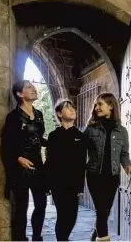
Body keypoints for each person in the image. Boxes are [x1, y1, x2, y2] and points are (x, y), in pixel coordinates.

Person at [84, 93, 131, 241]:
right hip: (94, 175)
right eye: (96, 105)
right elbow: (80, 151)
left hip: (113, 176)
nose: (96, 108)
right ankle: (103, 238)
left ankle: (96, 234)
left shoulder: (122, 131)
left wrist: (127, 166)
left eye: (100, 104)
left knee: (105, 211)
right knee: (101, 210)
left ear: (111, 106)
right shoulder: (91, 129)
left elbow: (124, 154)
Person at [1, 80, 47, 241]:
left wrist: (57, 143)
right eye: (29, 87)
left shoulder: (39, 114)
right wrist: (18, 158)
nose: (34, 88)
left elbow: (39, 138)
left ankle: (36, 237)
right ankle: (20, 239)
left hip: (37, 165)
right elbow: (6, 145)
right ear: (20, 94)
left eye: (33, 86)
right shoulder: (13, 117)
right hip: (20, 167)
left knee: (41, 204)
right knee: (22, 207)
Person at [44, 98, 86, 241]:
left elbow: (81, 164)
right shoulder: (54, 136)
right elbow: (50, 162)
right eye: (67, 107)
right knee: (63, 215)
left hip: (74, 185)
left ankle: (64, 238)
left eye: (72, 107)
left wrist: (80, 186)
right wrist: (47, 184)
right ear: (59, 114)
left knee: (72, 217)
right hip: (58, 184)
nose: (72, 109)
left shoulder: (80, 136)